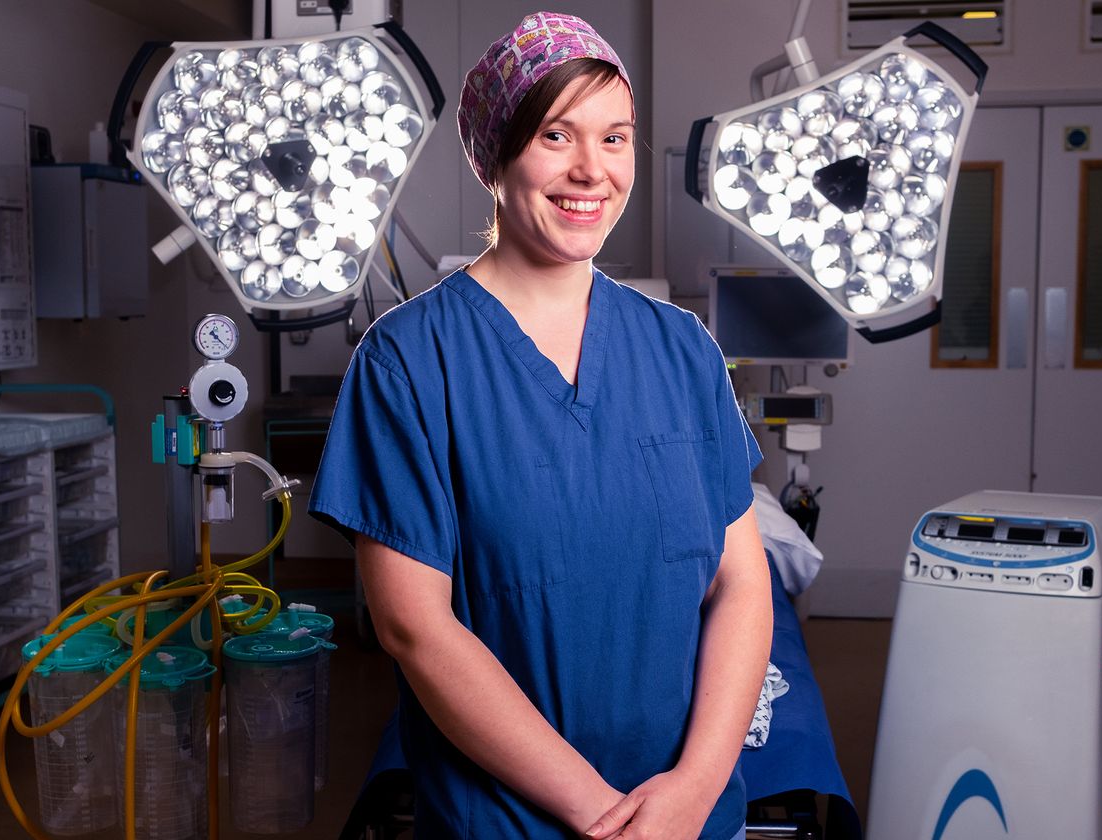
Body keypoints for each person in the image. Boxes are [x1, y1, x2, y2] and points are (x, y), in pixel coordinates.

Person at [310, 11, 772, 839]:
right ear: (494, 154)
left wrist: (694, 792)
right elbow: (413, 626)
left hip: (689, 816)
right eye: (557, 135)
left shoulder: (682, 351)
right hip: (510, 821)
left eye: (616, 137)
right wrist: (606, 819)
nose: (591, 170)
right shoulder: (410, 362)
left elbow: (741, 583)